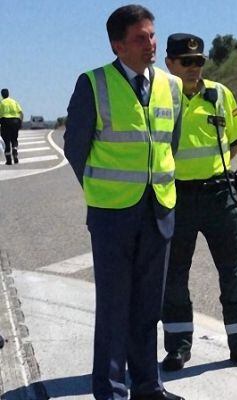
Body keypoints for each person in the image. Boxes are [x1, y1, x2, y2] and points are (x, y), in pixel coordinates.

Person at [63, 5, 185, 400]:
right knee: (114, 308)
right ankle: (111, 391)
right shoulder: (93, 83)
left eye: (152, 35)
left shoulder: (172, 86)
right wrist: (101, 190)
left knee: (149, 305)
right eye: (140, 38)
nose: (151, 44)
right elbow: (75, 148)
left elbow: (172, 143)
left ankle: (149, 385)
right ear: (118, 45)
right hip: (113, 214)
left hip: (158, 209)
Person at [160, 33, 237, 372]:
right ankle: (178, 346)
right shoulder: (161, 98)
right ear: (169, 64)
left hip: (219, 195)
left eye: (199, 62)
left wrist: (213, 170)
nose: (194, 68)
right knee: (175, 277)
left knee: (231, 275)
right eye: (186, 62)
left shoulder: (219, 94)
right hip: (177, 197)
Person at [0, 88, 23, 165]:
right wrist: (20, 122)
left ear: (2, 95)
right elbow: (21, 112)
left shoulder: (1, 103)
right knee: (14, 139)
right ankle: (15, 151)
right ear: (8, 94)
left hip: (5, 122)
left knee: (6, 141)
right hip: (15, 121)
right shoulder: (14, 101)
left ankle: (9, 160)